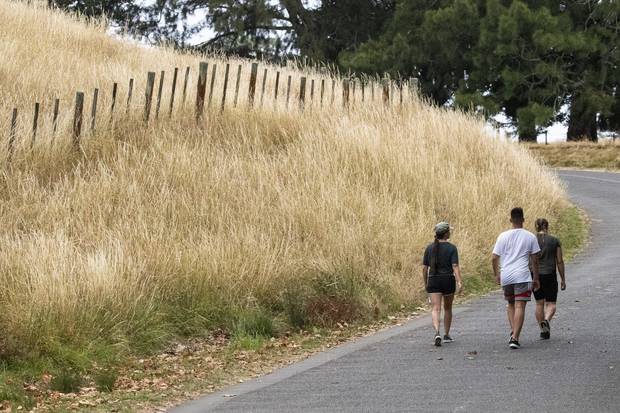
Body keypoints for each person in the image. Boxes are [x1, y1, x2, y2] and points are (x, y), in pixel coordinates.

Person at [492, 208, 541, 349]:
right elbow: (535, 260)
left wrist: (496, 274)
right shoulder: (530, 236)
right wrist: (536, 277)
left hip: (506, 275)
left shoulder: (502, 236)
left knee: (511, 304)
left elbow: (494, 257)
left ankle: (513, 331)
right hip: (522, 275)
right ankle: (515, 337)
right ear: (523, 219)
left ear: (510, 220)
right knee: (520, 305)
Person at [422, 222, 463, 347]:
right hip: (447, 280)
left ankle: (437, 332)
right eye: (449, 231)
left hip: (433, 279)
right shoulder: (452, 248)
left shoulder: (429, 248)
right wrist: (459, 281)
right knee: (447, 308)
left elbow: (424, 268)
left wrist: (426, 282)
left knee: (436, 308)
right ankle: (446, 334)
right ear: (446, 234)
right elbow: (455, 266)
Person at [534, 218, 566, 340]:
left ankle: (543, 330)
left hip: (535, 275)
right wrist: (563, 279)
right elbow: (559, 261)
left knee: (539, 303)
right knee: (551, 303)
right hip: (550, 274)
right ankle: (546, 320)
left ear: (536, 227)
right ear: (547, 226)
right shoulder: (554, 240)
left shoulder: (531, 239)